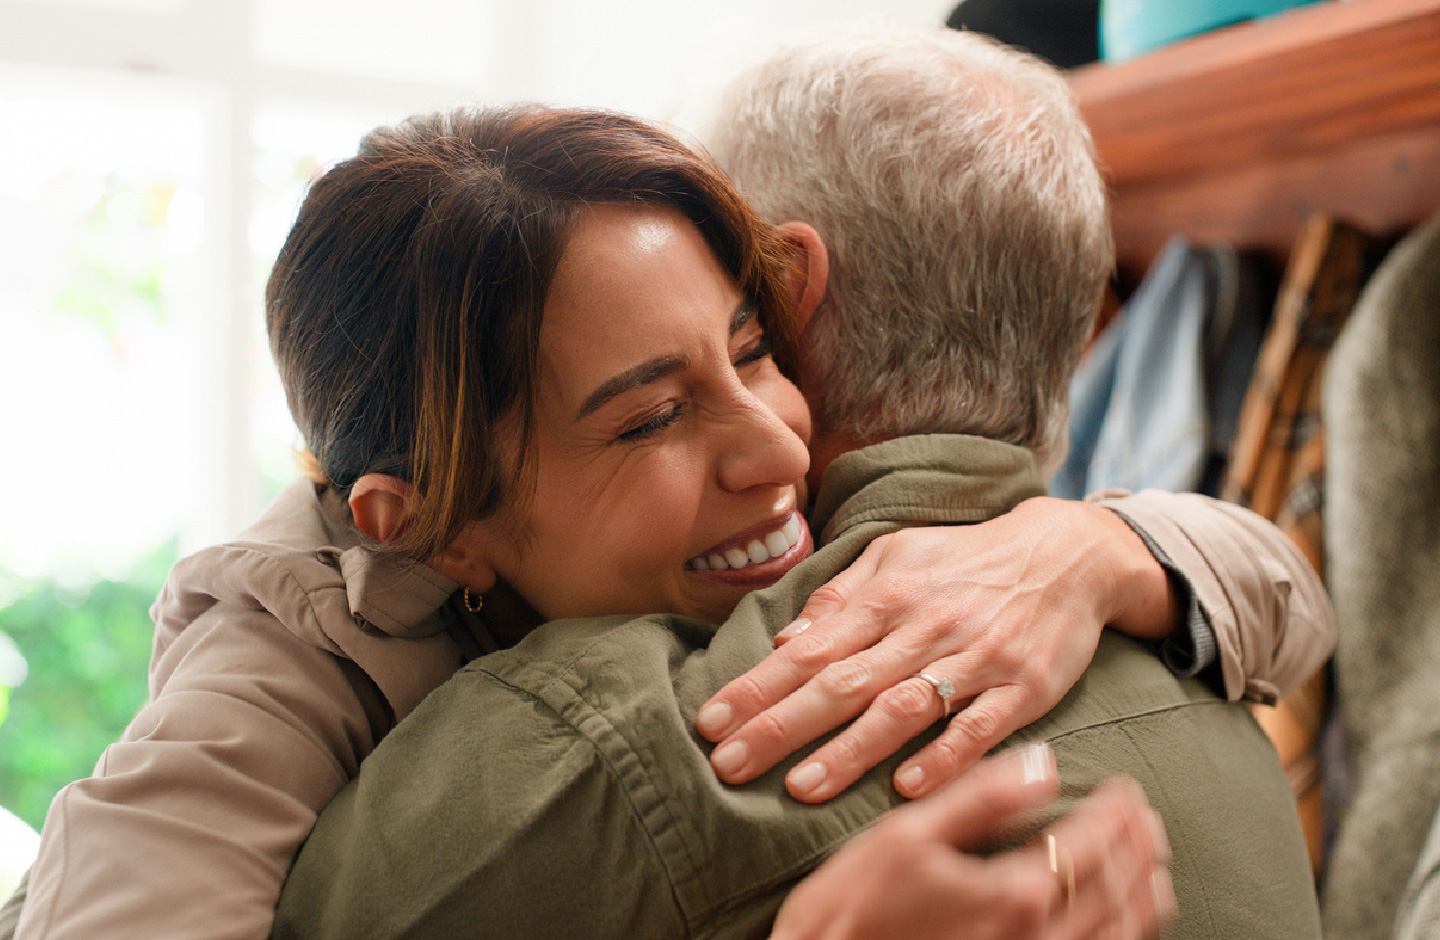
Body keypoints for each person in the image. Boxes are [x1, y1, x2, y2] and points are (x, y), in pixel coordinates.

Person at [3, 43, 1327, 940]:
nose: (780, 448)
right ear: (433, 524)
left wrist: (1100, 547)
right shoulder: (296, 655)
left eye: (753, 349)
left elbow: (1293, 597)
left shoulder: (624, 717)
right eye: (647, 415)